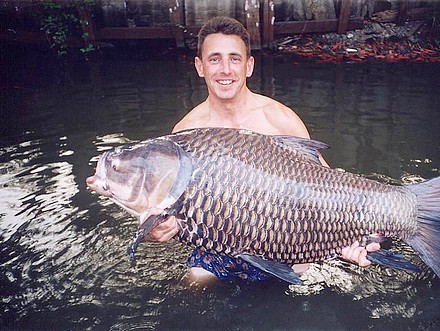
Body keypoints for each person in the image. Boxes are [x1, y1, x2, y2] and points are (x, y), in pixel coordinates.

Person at [147, 16, 380, 283]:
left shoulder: (279, 119)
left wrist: (352, 240)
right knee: (194, 281)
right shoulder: (186, 134)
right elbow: (165, 209)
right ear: (200, 66)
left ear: (249, 66)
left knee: (303, 283)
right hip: (220, 245)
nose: (225, 69)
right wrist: (158, 230)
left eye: (235, 58)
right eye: (214, 59)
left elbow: (328, 189)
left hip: (288, 241)